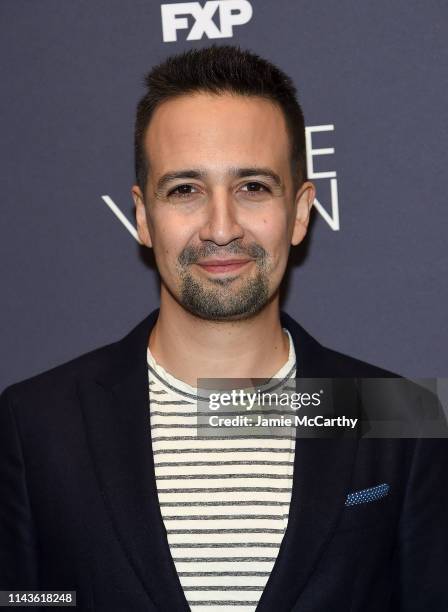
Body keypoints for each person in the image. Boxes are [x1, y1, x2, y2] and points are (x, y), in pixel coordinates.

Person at [1, 45, 447, 612]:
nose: (221, 227)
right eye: (185, 189)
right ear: (142, 215)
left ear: (302, 210)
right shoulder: (37, 423)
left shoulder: (398, 419)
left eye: (253, 187)